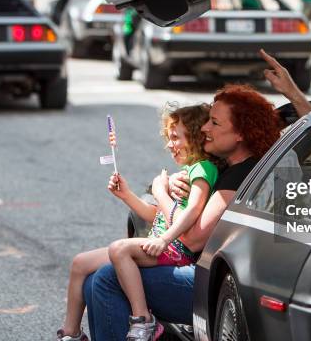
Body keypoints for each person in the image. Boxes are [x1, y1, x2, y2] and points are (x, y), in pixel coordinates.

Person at [82, 84, 284, 340]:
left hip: (214, 284)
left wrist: (161, 192)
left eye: (215, 123)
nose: (204, 128)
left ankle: (143, 323)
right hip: (205, 271)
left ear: (240, 134)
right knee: (93, 279)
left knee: (106, 279)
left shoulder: (241, 175)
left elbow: (192, 239)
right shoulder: (224, 164)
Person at [56, 104, 218, 341]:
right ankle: (70, 334)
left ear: (195, 135)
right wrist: (127, 195)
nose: (169, 144)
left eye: (175, 137)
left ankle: (143, 319)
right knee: (80, 264)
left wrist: (164, 238)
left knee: (119, 250)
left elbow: (194, 209)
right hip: (162, 243)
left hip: (174, 249)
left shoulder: (203, 169)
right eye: (168, 138)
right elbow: (158, 216)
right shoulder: (187, 172)